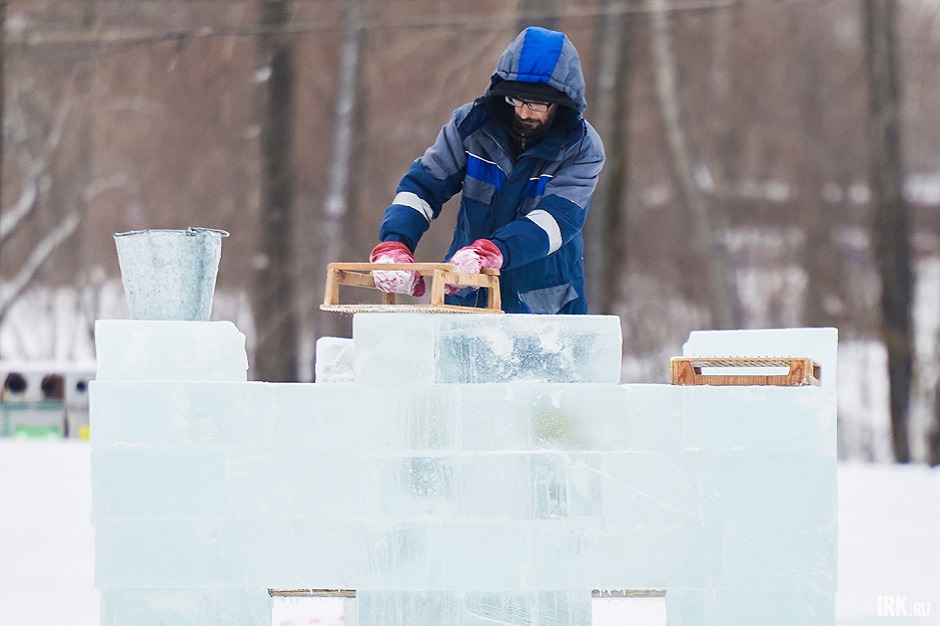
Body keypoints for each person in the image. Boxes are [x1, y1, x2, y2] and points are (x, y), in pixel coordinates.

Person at [370, 26, 605, 314]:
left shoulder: (581, 148)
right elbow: (423, 188)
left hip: (543, 310)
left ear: (561, 103)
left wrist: (494, 251)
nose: (524, 112)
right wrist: (396, 242)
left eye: (537, 104)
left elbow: (557, 221)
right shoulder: (470, 126)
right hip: (467, 295)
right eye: (515, 99)